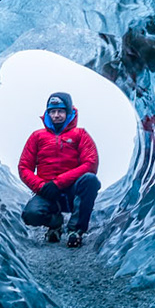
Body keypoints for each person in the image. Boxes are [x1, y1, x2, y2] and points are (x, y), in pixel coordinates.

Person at [18, 91, 100, 247]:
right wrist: (41, 186)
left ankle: (75, 231)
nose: (56, 115)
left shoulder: (80, 135)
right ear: (47, 113)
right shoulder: (37, 136)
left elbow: (90, 163)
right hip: (47, 192)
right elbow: (24, 167)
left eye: (60, 111)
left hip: (72, 191)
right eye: (52, 111)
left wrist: (58, 183)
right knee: (30, 215)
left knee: (90, 180)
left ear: (68, 112)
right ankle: (55, 223)